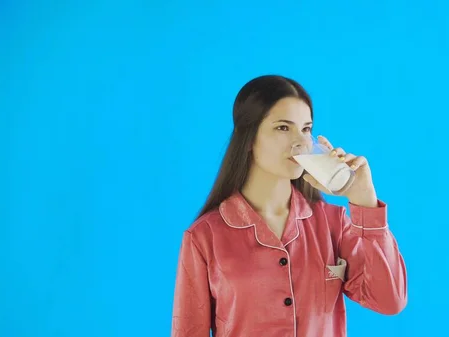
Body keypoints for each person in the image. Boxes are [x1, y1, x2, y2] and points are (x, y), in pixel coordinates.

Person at [171, 75, 408, 337]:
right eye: (283, 128)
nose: (300, 141)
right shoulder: (205, 236)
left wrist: (364, 201)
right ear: (248, 139)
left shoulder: (333, 223)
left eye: (306, 129)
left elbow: (390, 300)